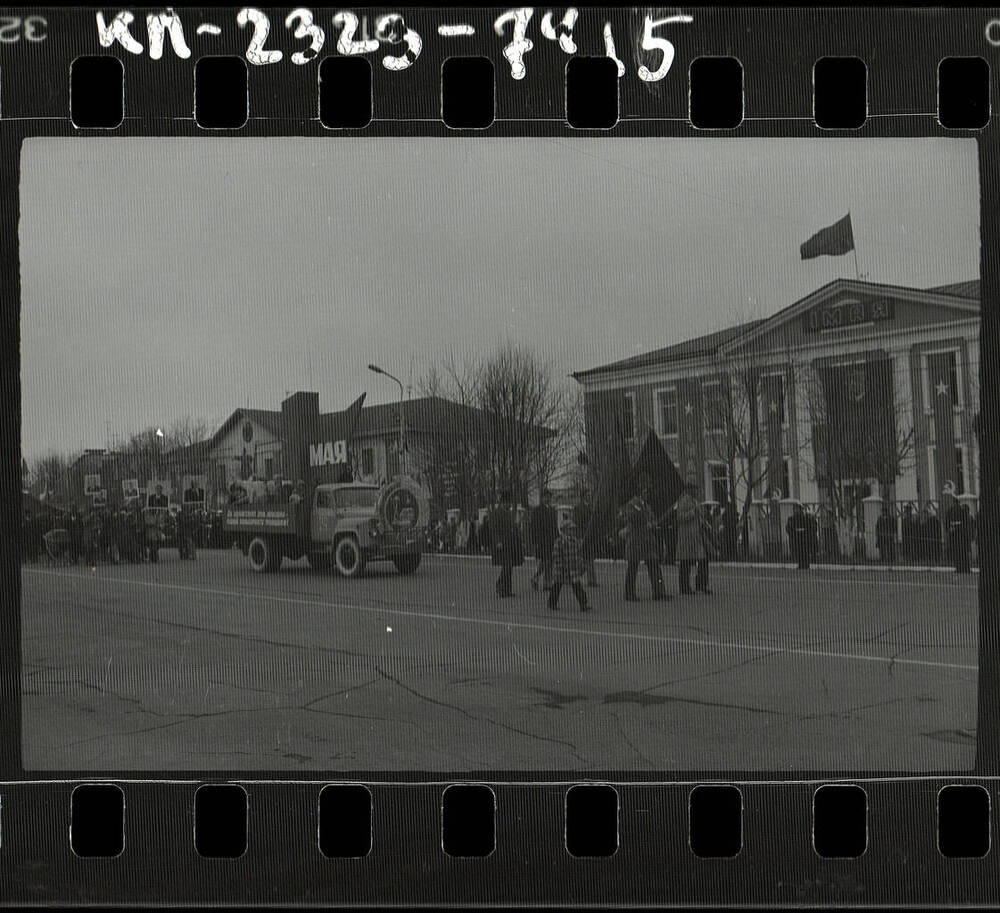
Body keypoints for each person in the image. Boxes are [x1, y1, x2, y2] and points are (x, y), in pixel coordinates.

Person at [622, 485, 668, 601]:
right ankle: (629, 593)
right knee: (633, 566)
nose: (647, 494)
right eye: (645, 492)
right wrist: (642, 518)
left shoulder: (647, 506)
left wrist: (652, 524)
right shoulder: (632, 504)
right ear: (640, 492)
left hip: (647, 539)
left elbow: (653, 519)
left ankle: (659, 591)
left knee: (654, 564)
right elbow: (631, 518)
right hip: (636, 539)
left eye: (648, 492)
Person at [548, 517, 591, 613]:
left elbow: (579, 554)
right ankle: (552, 602)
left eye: (573, 529)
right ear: (564, 530)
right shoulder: (560, 541)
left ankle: (583, 603)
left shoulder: (575, 541)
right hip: (562, 569)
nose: (572, 531)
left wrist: (581, 565)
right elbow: (556, 555)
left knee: (577, 586)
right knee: (557, 585)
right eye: (570, 529)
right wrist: (560, 566)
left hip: (573, 569)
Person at [676, 482, 710, 594]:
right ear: (689, 489)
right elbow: (680, 517)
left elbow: (698, 517)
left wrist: (704, 523)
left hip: (696, 537)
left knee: (703, 560)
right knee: (686, 563)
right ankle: (684, 588)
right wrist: (692, 512)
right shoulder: (683, 501)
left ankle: (701, 585)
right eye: (695, 489)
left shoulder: (694, 501)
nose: (697, 491)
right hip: (687, 538)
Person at [489, 490, 522, 598]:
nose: (509, 505)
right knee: (507, 565)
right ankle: (500, 585)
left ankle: (507, 589)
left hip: (510, 543)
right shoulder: (496, 513)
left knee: (509, 566)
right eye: (508, 502)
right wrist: (497, 541)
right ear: (503, 502)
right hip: (502, 544)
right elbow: (493, 529)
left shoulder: (508, 513)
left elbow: (512, 528)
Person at [530, 489, 559, 592]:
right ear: (542, 498)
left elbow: (555, 526)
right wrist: (536, 541)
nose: (548, 499)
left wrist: (557, 538)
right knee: (545, 561)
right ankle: (543, 581)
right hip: (542, 540)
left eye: (549, 497)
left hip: (551, 540)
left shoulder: (552, 510)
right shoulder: (537, 510)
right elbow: (534, 527)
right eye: (546, 496)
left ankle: (542, 580)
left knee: (549, 562)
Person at [571, 488, 598, 587]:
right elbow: (577, 523)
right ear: (583, 496)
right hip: (582, 535)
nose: (588, 496)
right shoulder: (578, 508)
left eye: (589, 494)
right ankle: (590, 579)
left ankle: (590, 579)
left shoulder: (590, 507)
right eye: (587, 494)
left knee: (589, 557)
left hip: (590, 536)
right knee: (586, 558)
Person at [946, 498, 971, 573]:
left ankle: (960, 568)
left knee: (958, 553)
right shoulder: (960, 511)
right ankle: (964, 568)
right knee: (963, 553)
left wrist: (951, 527)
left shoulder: (951, 511)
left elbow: (947, 521)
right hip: (961, 536)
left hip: (956, 535)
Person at [786, 502, 811, 570]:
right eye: (795, 509)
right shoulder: (792, 518)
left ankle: (806, 564)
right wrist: (793, 533)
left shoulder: (805, 518)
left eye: (798, 509)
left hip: (804, 538)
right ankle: (800, 564)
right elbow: (788, 528)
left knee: (805, 551)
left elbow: (809, 527)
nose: (796, 510)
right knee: (798, 551)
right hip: (796, 538)